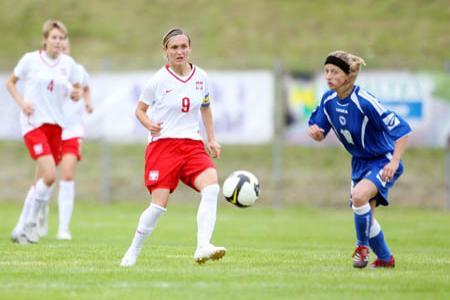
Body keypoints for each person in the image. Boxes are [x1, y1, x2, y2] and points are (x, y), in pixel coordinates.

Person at [120, 28, 225, 266]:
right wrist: (149, 125)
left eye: (183, 46)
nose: (179, 51)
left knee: (211, 188)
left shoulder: (202, 77)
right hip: (163, 145)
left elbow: (206, 107)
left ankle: (203, 246)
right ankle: (132, 251)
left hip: (192, 144)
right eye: (174, 47)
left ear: (190, 48)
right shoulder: (157, 80)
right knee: (158, 205)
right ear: (165, 51)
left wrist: (211, 138)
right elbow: (140, 110)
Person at [308, 50, 412, 268]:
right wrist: (316, 133)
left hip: (382, 160)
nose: (328, 76)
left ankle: (361, 248)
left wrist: (394, 162)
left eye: (334, 71)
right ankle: (385, 259)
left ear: (347, 76)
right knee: (367, 217)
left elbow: (402, 130)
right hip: (359, 163)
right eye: (326, 71)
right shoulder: (328, 100)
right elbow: (319, 131)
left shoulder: (364, 101)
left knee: (358, 197)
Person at [7, 20, 82, 244]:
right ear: (45, 39)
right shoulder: (30, 60)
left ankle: (20, 227)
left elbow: (76, 88)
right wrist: (22, 103)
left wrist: (75, 93)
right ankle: (30, 223)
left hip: (56, 127)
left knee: (40, 180)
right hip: (33, 124)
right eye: (54, 38)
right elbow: (11, 82)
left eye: (61, 38)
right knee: (50, 176)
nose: (58, 42)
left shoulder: (68, 64)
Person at [37, 38, 93, 240]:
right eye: (58, 45)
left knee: (67, 174)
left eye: (65, 45)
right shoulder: (47, 73)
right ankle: (40, 213)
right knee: (46, 177)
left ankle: (63, 228)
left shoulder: (77, 69)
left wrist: (88, 102)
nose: (62, 48)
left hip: (72, 130)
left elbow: (86, 87)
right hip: (51, 128)